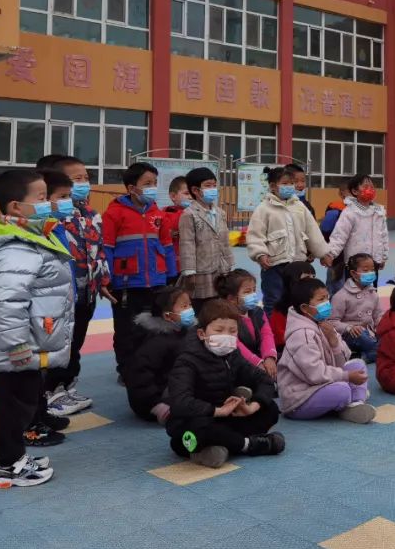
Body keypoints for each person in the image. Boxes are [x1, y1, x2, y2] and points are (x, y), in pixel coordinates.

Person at [0, 168, 74, 488]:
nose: (48, 205)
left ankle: (7, 456)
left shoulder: (29, 238)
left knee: (14, 403)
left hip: (26, 341)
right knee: (15, 404)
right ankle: (7, 465)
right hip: (17, 346)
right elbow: (7, 301)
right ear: (16, 206)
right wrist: (16, 345)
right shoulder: (15, 247)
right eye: (41, 198)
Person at [165, 299, 284, 469]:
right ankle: (247, 445)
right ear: (202, 334)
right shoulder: (187, 361)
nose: (226, 336)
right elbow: (180, 403)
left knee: (270, 408)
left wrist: (252, 407)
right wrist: (217, 411)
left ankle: (224, 444)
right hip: (194, 422)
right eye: (219, 330)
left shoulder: (232, 355)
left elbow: (263, 379)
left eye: (232, 331)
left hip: (226, 417)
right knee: (199, 430)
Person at [40, 159, 109, 419]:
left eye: (85, 177)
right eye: (74, 179)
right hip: (60, 295)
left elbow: (98, 249)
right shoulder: (51, 217)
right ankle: (50, 391)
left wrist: (102, 280)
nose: (82, 184)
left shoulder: (90, 215)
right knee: (57, 343)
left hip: (86, 292)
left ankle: (67, 386)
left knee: (76, 341)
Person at [103, 162, 176, 379]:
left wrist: (171, 276)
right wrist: (106, 279)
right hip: (126, 284)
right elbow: (106, 248)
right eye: (147, 183)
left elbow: (167, 247)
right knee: (126, 331)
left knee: (155, 327)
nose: (152, 187)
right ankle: (126, 371)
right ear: (131, 188)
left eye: (155, 183)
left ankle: (151, 368)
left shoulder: (158, 214)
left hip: (156, 281)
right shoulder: (113, 213)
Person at [277, 278, 376, 423]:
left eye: (327, 298)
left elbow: (341, 363)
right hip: (299, 399)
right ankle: (350, 400)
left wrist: (334, 343)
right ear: (305, 308)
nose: (327, 304)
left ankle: (355, 404)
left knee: (358, 365)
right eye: (321, 299)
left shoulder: (323, 324)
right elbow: (314, 374)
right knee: (342, 390)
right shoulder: (301, 335)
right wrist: (346, 376)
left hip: (321, 385)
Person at [247, 166, 329, 316]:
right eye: (285, 183)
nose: (290, 186)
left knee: (298, 298)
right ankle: (273, 333)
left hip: (298, 264)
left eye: (291, 183)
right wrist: (260, 254)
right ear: (273, 186)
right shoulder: (264, 209)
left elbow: (313, 231)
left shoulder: (300, 207)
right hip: (274, 265)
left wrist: (323, 253)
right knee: (274, 298)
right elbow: (255, 235)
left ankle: (296, 329)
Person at [126, 287, 194, 423]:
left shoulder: (186, 333)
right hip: (157, 399)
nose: (190, 310)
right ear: (167, 316)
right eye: (184, 306)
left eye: (190, 305)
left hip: (178, 386)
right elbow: (139, 376)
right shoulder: (155, 343)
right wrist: (155, 404)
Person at [322, 173, 389, 292]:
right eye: (365, 186)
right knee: (353, 294)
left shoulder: (379, 212)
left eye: (372, 187)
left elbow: (383, 235)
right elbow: (339, 236)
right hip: (355, 265)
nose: (370, 190)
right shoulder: (350, 212)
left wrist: (383, 256)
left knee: (371, 293)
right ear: (354, 191)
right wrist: (330, 254)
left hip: (373, 264)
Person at [178, 167, 233, 313]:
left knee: (219, 306)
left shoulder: (220, 213)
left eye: (214, 185)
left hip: (220, 269)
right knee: (202, 307)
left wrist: (229, 265)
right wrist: (189, 271)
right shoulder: (188, 214)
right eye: (208, 186)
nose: (213, 189)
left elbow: (225, 241)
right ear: (195, 190)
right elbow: (187, 244)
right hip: (201, 271)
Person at [215, 270, 276, 378]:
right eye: (247, 292)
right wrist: (258, 363)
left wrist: (269, 357)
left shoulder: (257, 311)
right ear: (232, 299)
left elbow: (266, 334)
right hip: (238, 362)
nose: (253, 295)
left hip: (260, 357)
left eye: (254, 290)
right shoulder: (224, 318)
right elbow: (236, 345)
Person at [328, 253, 382, 363]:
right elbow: (331, 321)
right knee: (361, 335)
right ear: (353, 273)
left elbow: (378, 316)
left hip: (369, 334)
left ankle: (368, 353)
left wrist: (383, 329)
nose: (371, 273)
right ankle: (376, 354)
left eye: (372, 270)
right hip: (350, 335)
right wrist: (349, 328)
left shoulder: (373, 293)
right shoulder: (341, 296)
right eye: (365, 270)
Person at [269, 262, 317, 353]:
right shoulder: (281, 309)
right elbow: (280, 339)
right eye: (307, 278)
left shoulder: (315, 304)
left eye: (313, 277)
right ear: (291, 281)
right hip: (290, 351)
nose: (312, 282)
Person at [161, 176, 191, 286]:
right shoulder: (165, 214)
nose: (191, 197)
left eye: (193, 193)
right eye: (187, 193)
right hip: (172, 267)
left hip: (191, 266)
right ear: (173, 196)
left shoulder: (197, 213)